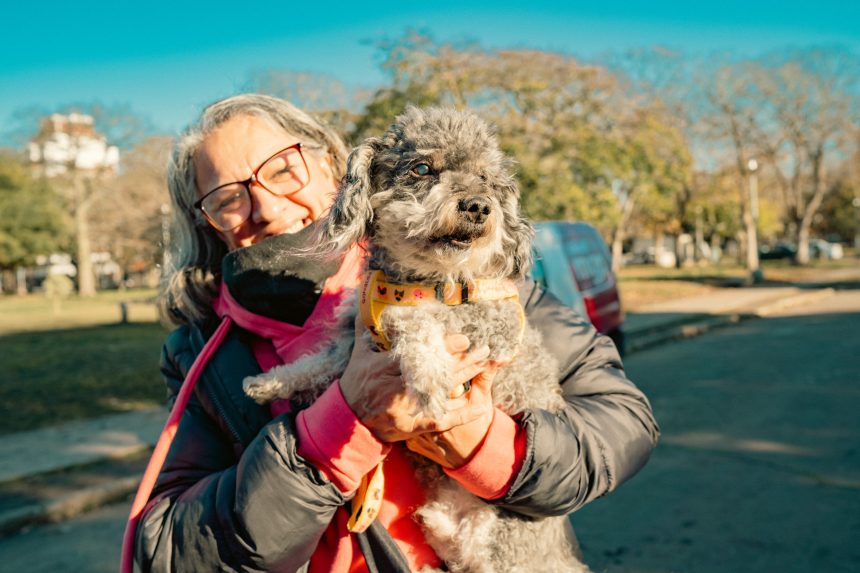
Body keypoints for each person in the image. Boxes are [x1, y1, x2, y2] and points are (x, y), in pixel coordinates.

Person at [134, 93, 660, 572]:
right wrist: (325, 438)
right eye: (228, 197)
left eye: (283, 170)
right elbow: (169, 552)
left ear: (331, 168)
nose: (267, 207)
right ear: (206, 222)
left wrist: (484, 446)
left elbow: (626, 422)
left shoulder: (478, 279)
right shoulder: (202, 355)